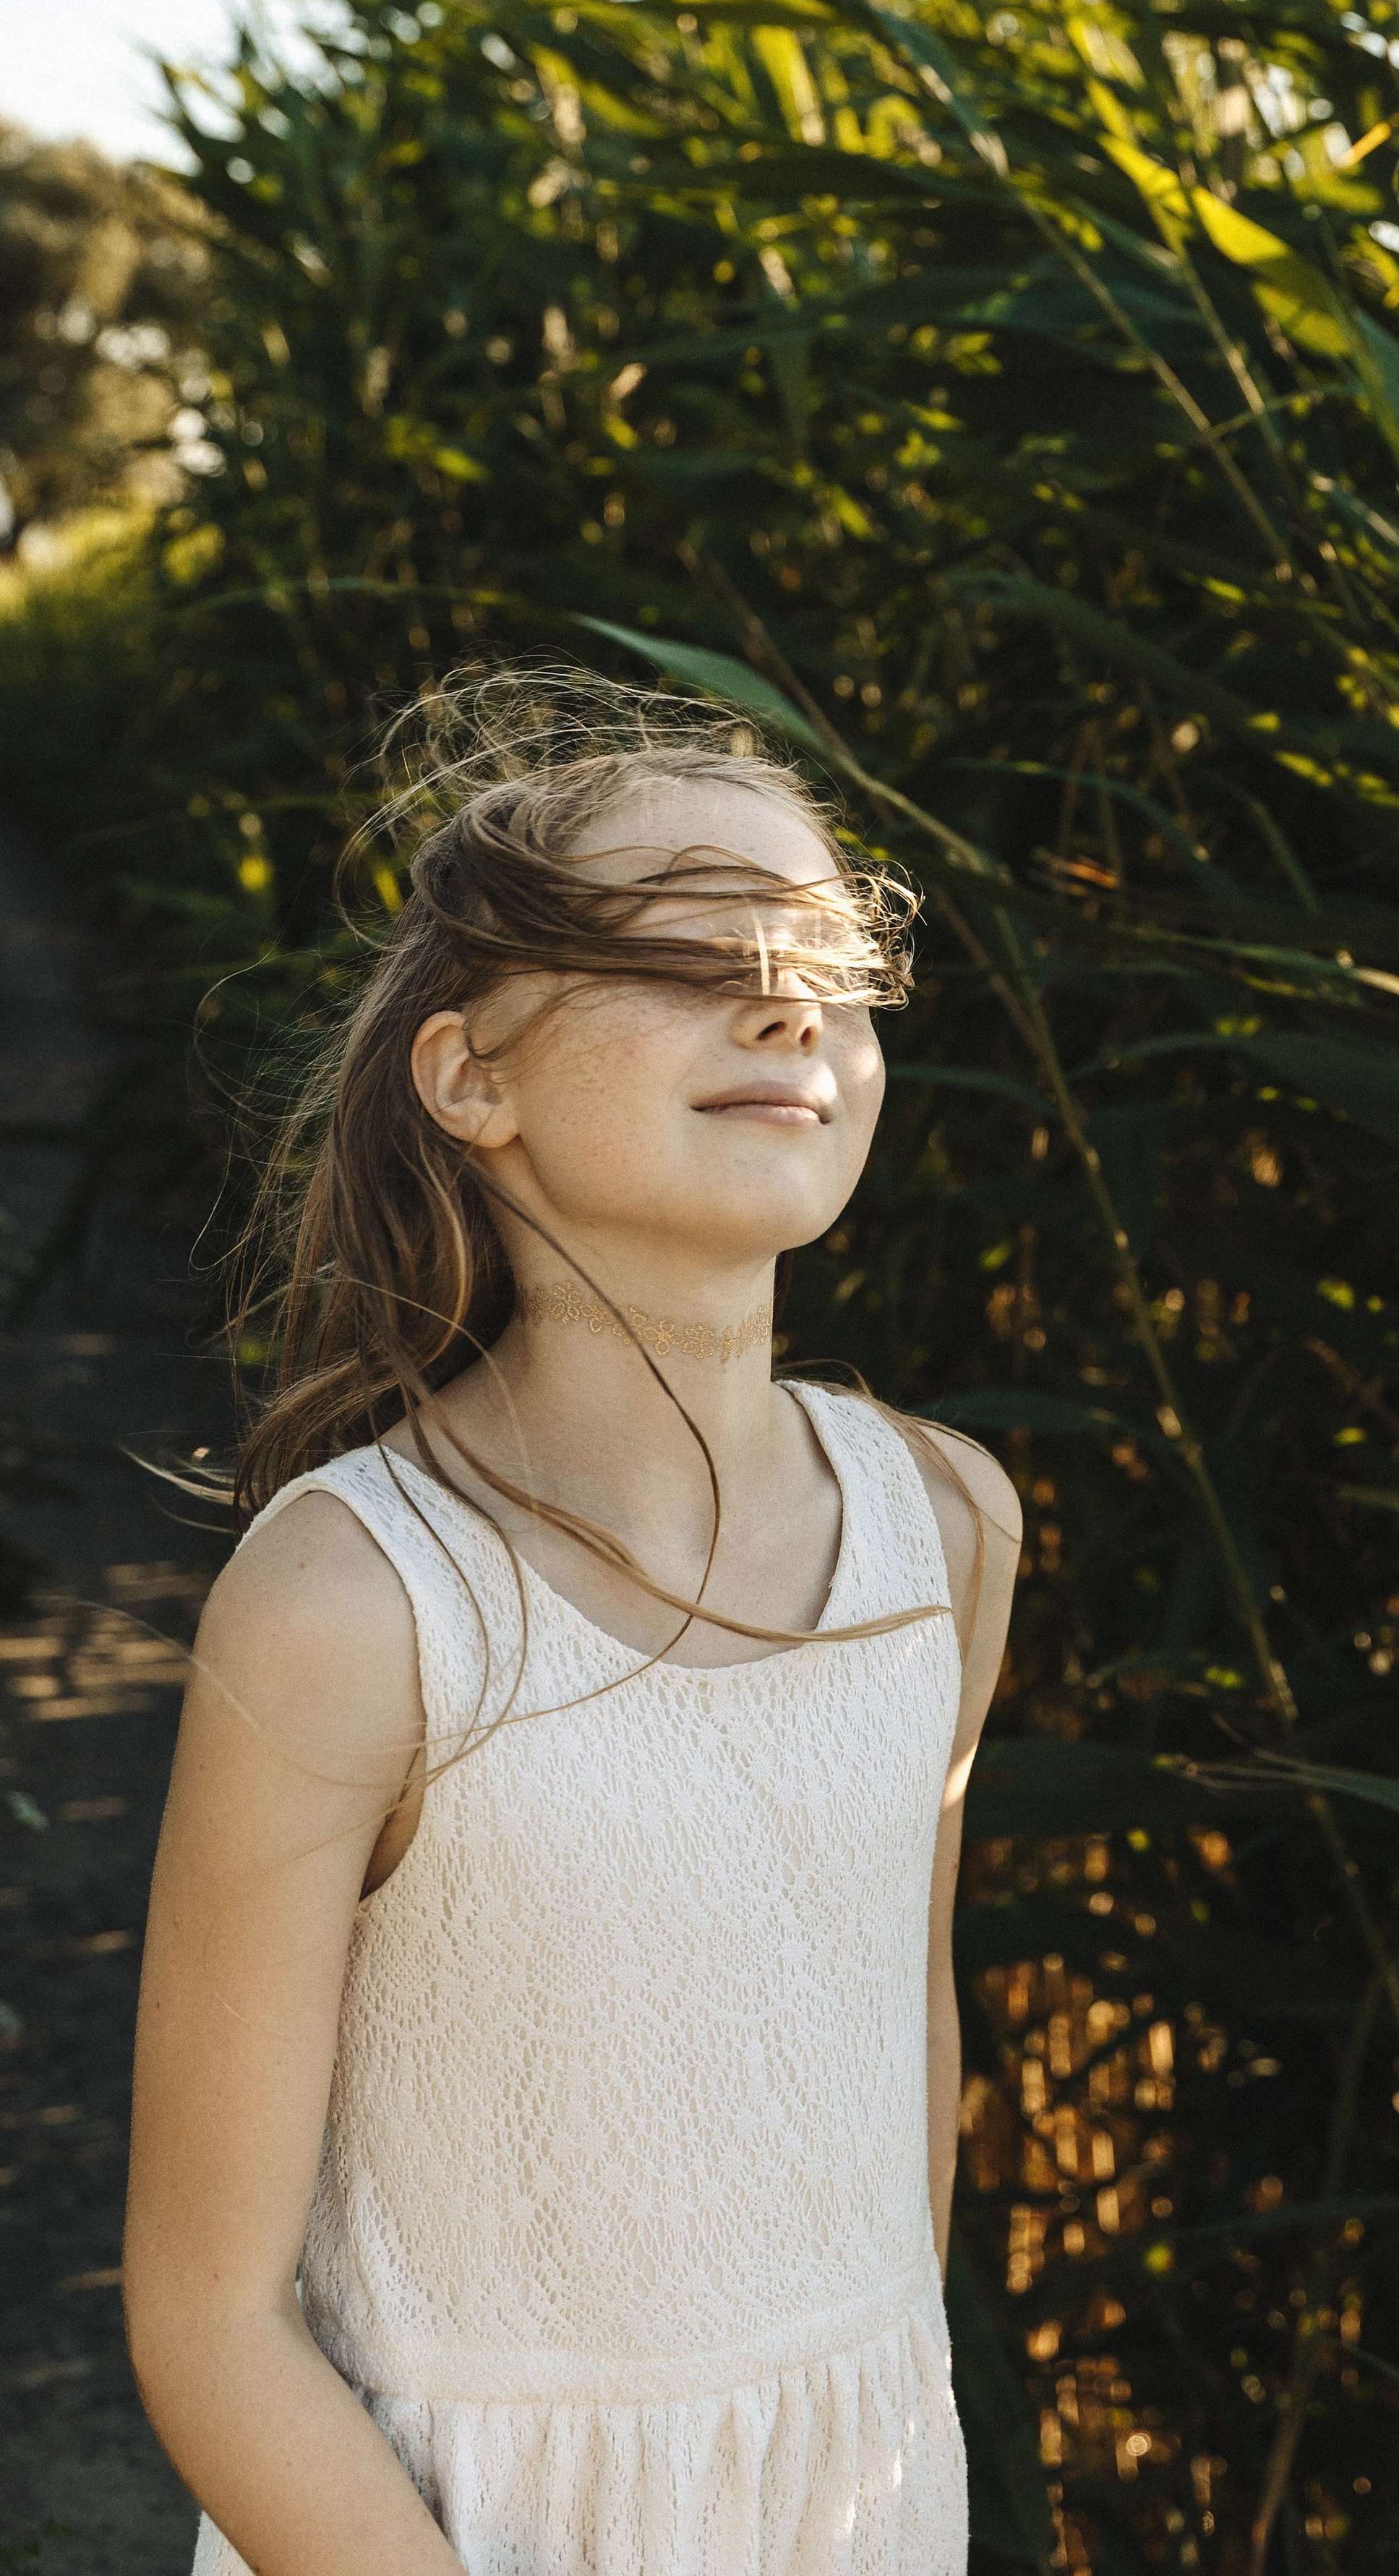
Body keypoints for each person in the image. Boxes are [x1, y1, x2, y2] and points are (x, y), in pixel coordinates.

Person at [123, 672, 1018, 2576]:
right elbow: (206, 2319)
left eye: (827, 952)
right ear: (472, 1078)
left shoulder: (946, 1532)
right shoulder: (355, 1602)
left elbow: (903, 2041)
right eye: (686, 950)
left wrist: (857, 2458)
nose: (786, 996)